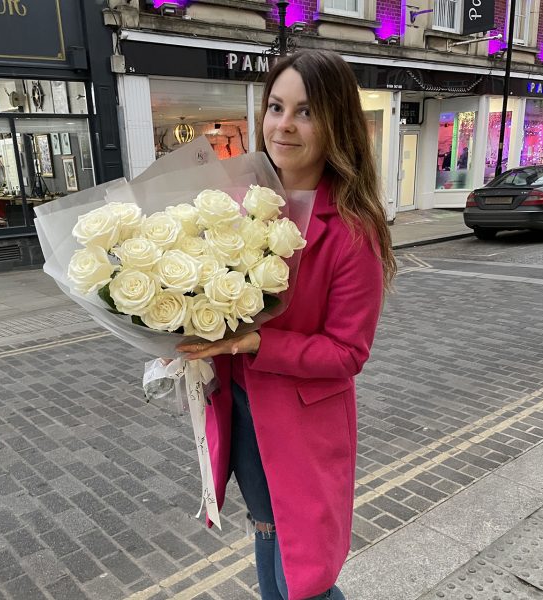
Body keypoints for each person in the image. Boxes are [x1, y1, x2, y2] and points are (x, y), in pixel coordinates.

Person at [177, 50, 396, 600]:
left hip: (302, 426)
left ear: (336, 123)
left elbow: (348, 353)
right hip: (244, 409)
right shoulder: (239, 205)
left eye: (305, 111)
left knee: (304, 583)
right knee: (268, 542)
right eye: (277, 107)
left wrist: (257, 341)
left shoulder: (353, 229)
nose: (284, 124)